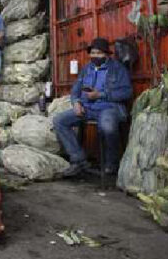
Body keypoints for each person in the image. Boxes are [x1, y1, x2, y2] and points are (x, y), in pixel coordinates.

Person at [53, 37, 133, 177]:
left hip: (109, 108)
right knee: (59, 120)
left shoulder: (117, 69)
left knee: (107, 126)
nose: (95, 56)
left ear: (107, 54)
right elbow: (75, 89)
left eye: (99, 53)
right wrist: (76, 102)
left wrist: (100, 95)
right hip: (88, 108)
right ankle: (79, 159)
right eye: (93, 53)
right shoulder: (86, 69)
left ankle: (112, 164)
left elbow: (126, 92)